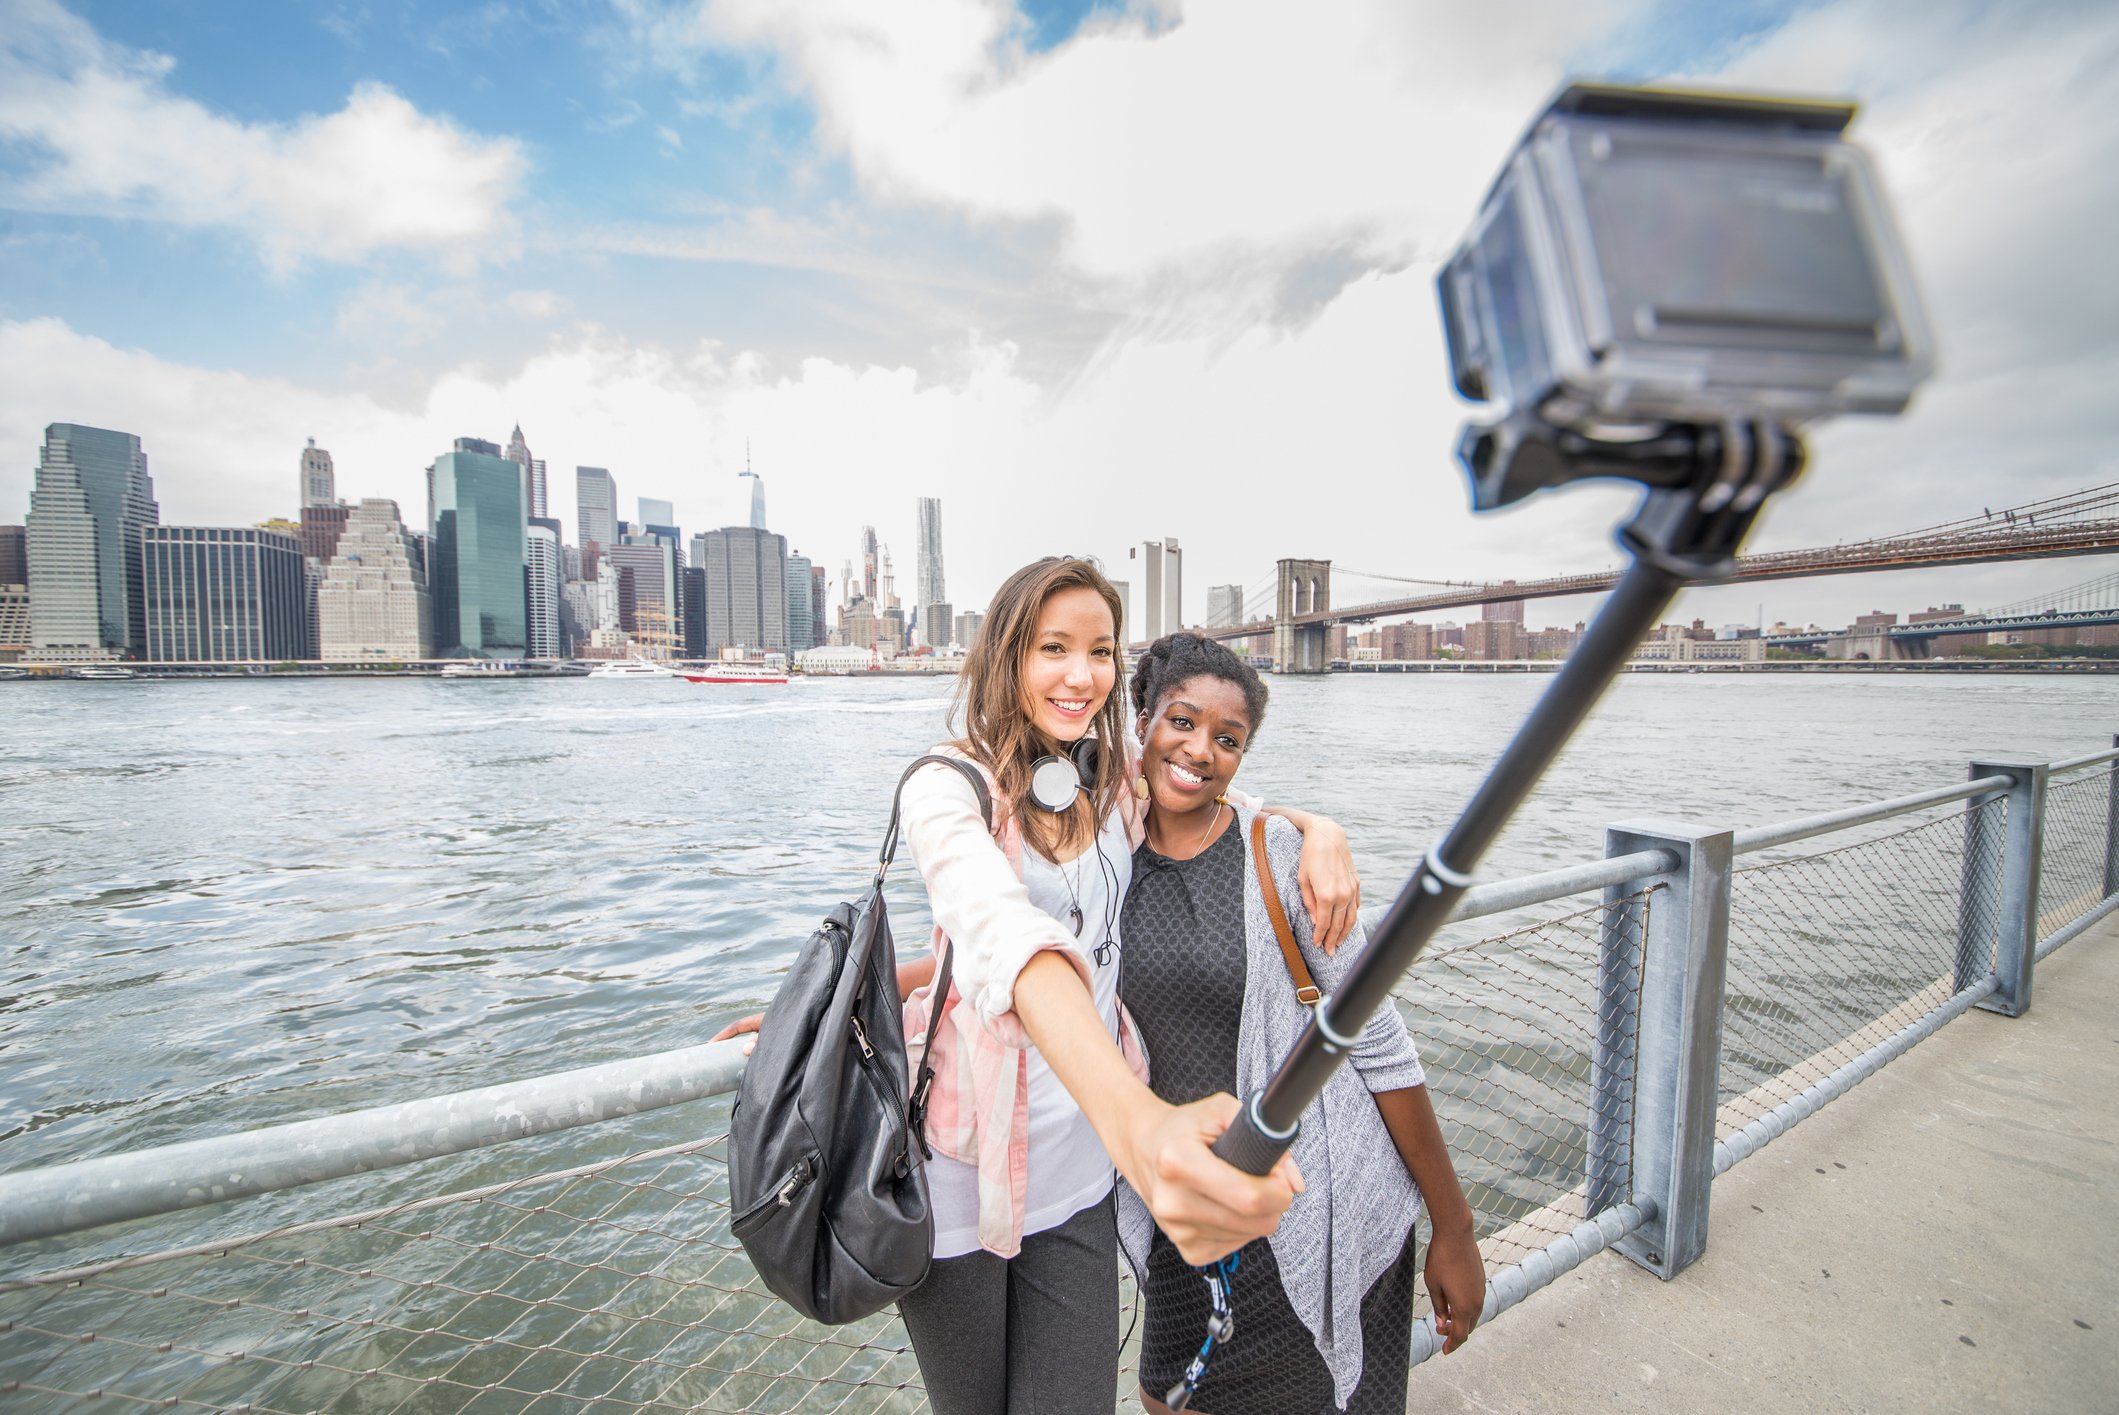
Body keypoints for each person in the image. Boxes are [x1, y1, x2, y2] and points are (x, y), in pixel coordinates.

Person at [721, 556, 1359, 1415]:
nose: (1080, 674)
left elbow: (1211, 798)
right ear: (1008, 655)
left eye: (1100, 650)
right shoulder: (944, 788)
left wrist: (1317, 829)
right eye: (1053, 647)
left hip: (1079, 1171)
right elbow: (998, 934)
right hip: (964, 1162)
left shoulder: (1110, 783)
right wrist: (1136, 1120)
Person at [1120, 632, 1485, 1415]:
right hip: (1184, 1209)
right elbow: (1016, 949)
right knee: (1166, 1398)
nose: (1199, 750)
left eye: (1227, 738)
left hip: (1309, 1205)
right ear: (1141, 718)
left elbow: (1380, 1043)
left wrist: (1454, 1227)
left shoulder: (1278, 855)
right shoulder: (1100, 857)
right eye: (1179, 722)